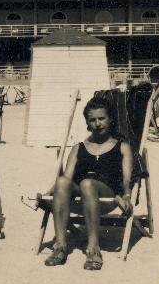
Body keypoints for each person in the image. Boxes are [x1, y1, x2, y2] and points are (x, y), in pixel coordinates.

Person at [38, 96, 134, 271]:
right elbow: (65, 180)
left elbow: (127, 179)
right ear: (87, 123)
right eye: (92, 120)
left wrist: (126, 196)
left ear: (110, 119)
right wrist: (47, 195)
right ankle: (60, 246)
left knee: (87, 183)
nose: (97, 123)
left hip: (107, 198)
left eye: (101, 118)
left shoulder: (121, 147)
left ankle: (93, 248)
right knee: (63, 181)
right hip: (80, 201)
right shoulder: (78, 148)